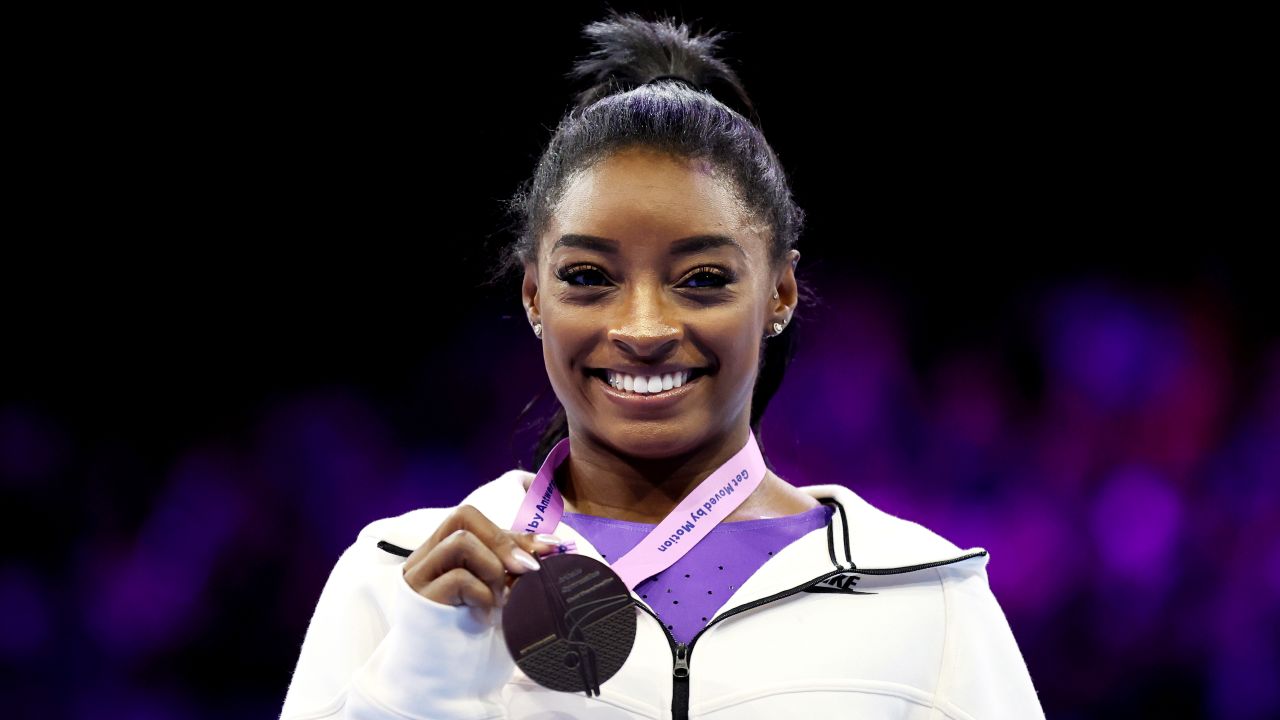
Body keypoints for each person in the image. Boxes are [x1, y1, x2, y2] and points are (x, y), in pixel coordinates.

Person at [279, 10, 1046, 720]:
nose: (642, 328)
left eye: (703, 279)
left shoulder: (925, 594)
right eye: (588, 278)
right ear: (534, 294)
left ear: (779, 291)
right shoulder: (401, 581)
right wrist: (416, 677)